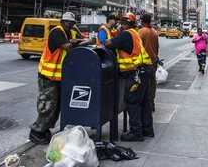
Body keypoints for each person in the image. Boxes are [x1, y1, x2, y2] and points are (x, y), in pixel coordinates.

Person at [29, 12, 95, 145]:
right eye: (66, 21)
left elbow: (79, 40)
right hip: (48, 76)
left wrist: (81, 41)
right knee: (47, 105)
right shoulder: (57, 32)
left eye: (71, 22)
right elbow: (69, 47)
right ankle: (36, 132)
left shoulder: (70, 33)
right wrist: (86, 41)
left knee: (56, 106)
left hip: (59, 78)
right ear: (62, 21)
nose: (69, 24)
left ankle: (45, 129)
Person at [103, 12, 154, 141]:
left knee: (133, 102)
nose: (122, 25)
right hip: (145, 72)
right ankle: (148, 130)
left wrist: (105, 39)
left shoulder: (126, 34)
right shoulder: (134, 33)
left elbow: (108, 44)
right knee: (144, 102)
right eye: (122, 22)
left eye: (124, 22)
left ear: (128, 24)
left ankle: (136, 132)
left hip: (134, 74)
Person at [138, 13, 159, 111]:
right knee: (152, 83)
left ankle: (144, 103)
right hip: (153, 61)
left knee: (142, 83)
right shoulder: (155, 33)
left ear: (142, 21)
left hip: (143, 63)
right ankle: (152, 103)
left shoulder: (140, 32)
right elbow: (157, 47)